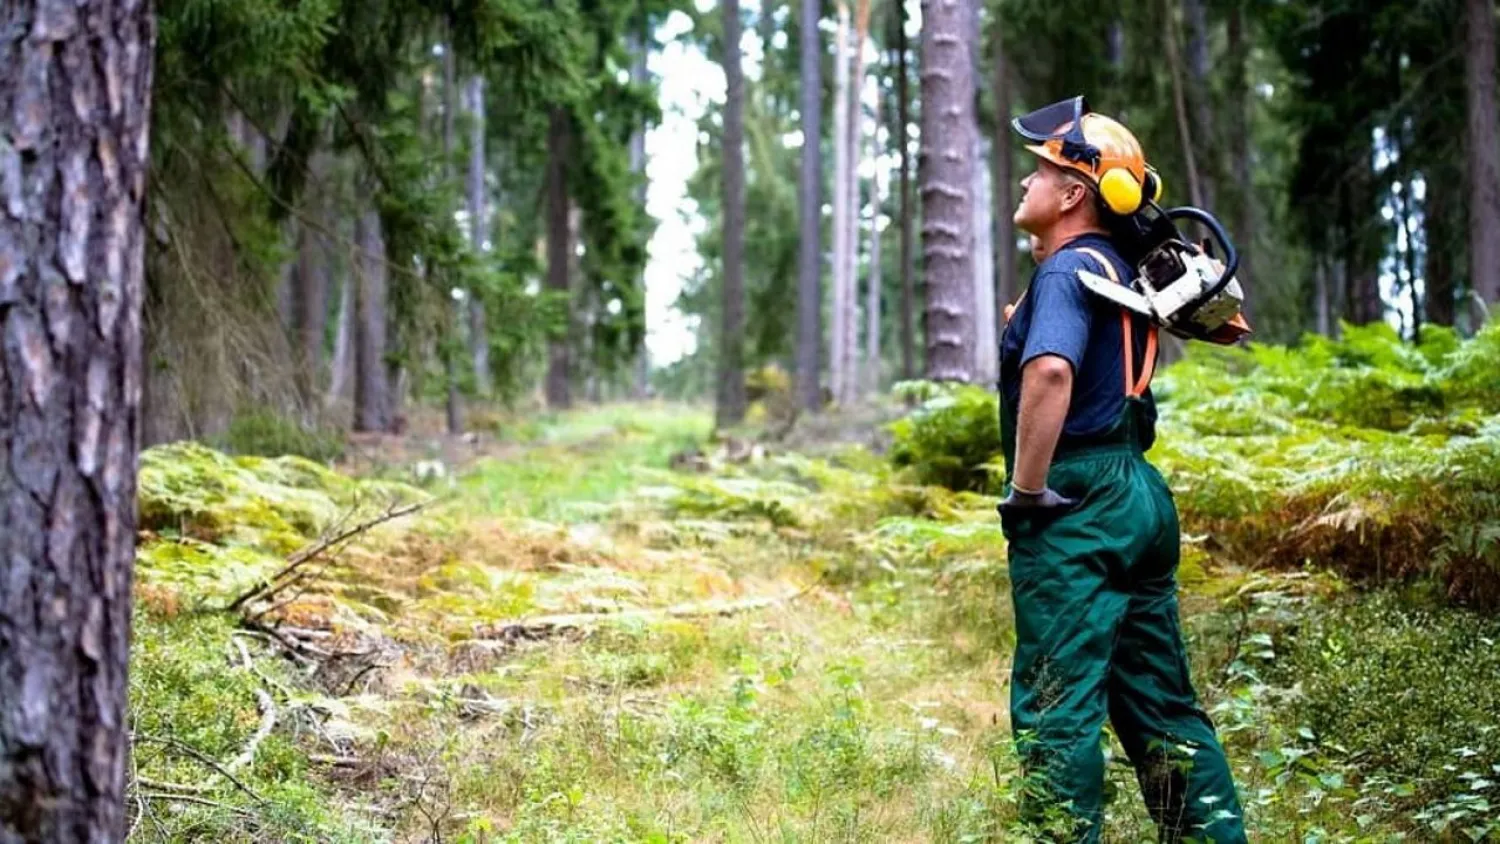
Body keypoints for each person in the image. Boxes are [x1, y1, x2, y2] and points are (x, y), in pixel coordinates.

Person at [995, 97, 1248, 843]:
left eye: (1038, 171)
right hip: (1137, 495)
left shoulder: (1072, 271)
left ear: (1074, 194)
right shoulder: (1119, 271)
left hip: (1078, 499)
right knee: (1161, 704)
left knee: (1056, 706)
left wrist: (1028, 488)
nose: (1024, 183)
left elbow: (1049, 375)